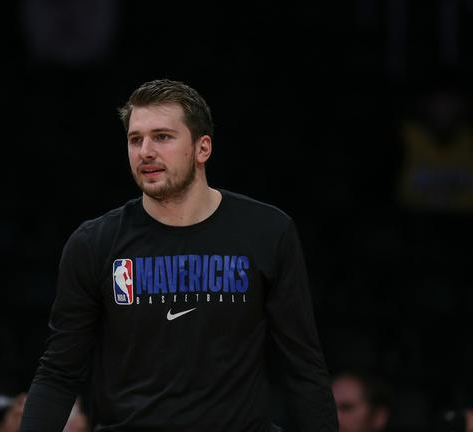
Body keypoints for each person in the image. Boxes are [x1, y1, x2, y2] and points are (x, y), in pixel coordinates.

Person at [20, 79, 337, 431]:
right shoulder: (94, 243)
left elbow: (302, 367)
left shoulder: (268, 231)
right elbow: (59, 372)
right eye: (135, 139)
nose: (145, 151)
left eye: (162, 137)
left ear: (203, 148)